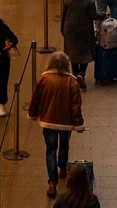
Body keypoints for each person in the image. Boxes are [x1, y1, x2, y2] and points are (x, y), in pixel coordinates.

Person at [27, 51, 85, 200]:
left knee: (50, 150)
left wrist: (32, 114)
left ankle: (52, 183)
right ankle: (63, 168)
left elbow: (35, 99)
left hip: (48, 121)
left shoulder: (44, 79)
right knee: (64, 145)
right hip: (65, 123)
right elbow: (75, 106)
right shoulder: (71, 81)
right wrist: (78, 124)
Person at [60, 0, 100, 89]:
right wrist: (103, 15)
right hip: (85, 31)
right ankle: (81, 73)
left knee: (72, 53)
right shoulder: (88, 1)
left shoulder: (68, 0)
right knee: (85, 53)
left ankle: (74, 73)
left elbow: (63, 16)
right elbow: (93, 16)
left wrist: (62, 29)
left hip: (70, 30)